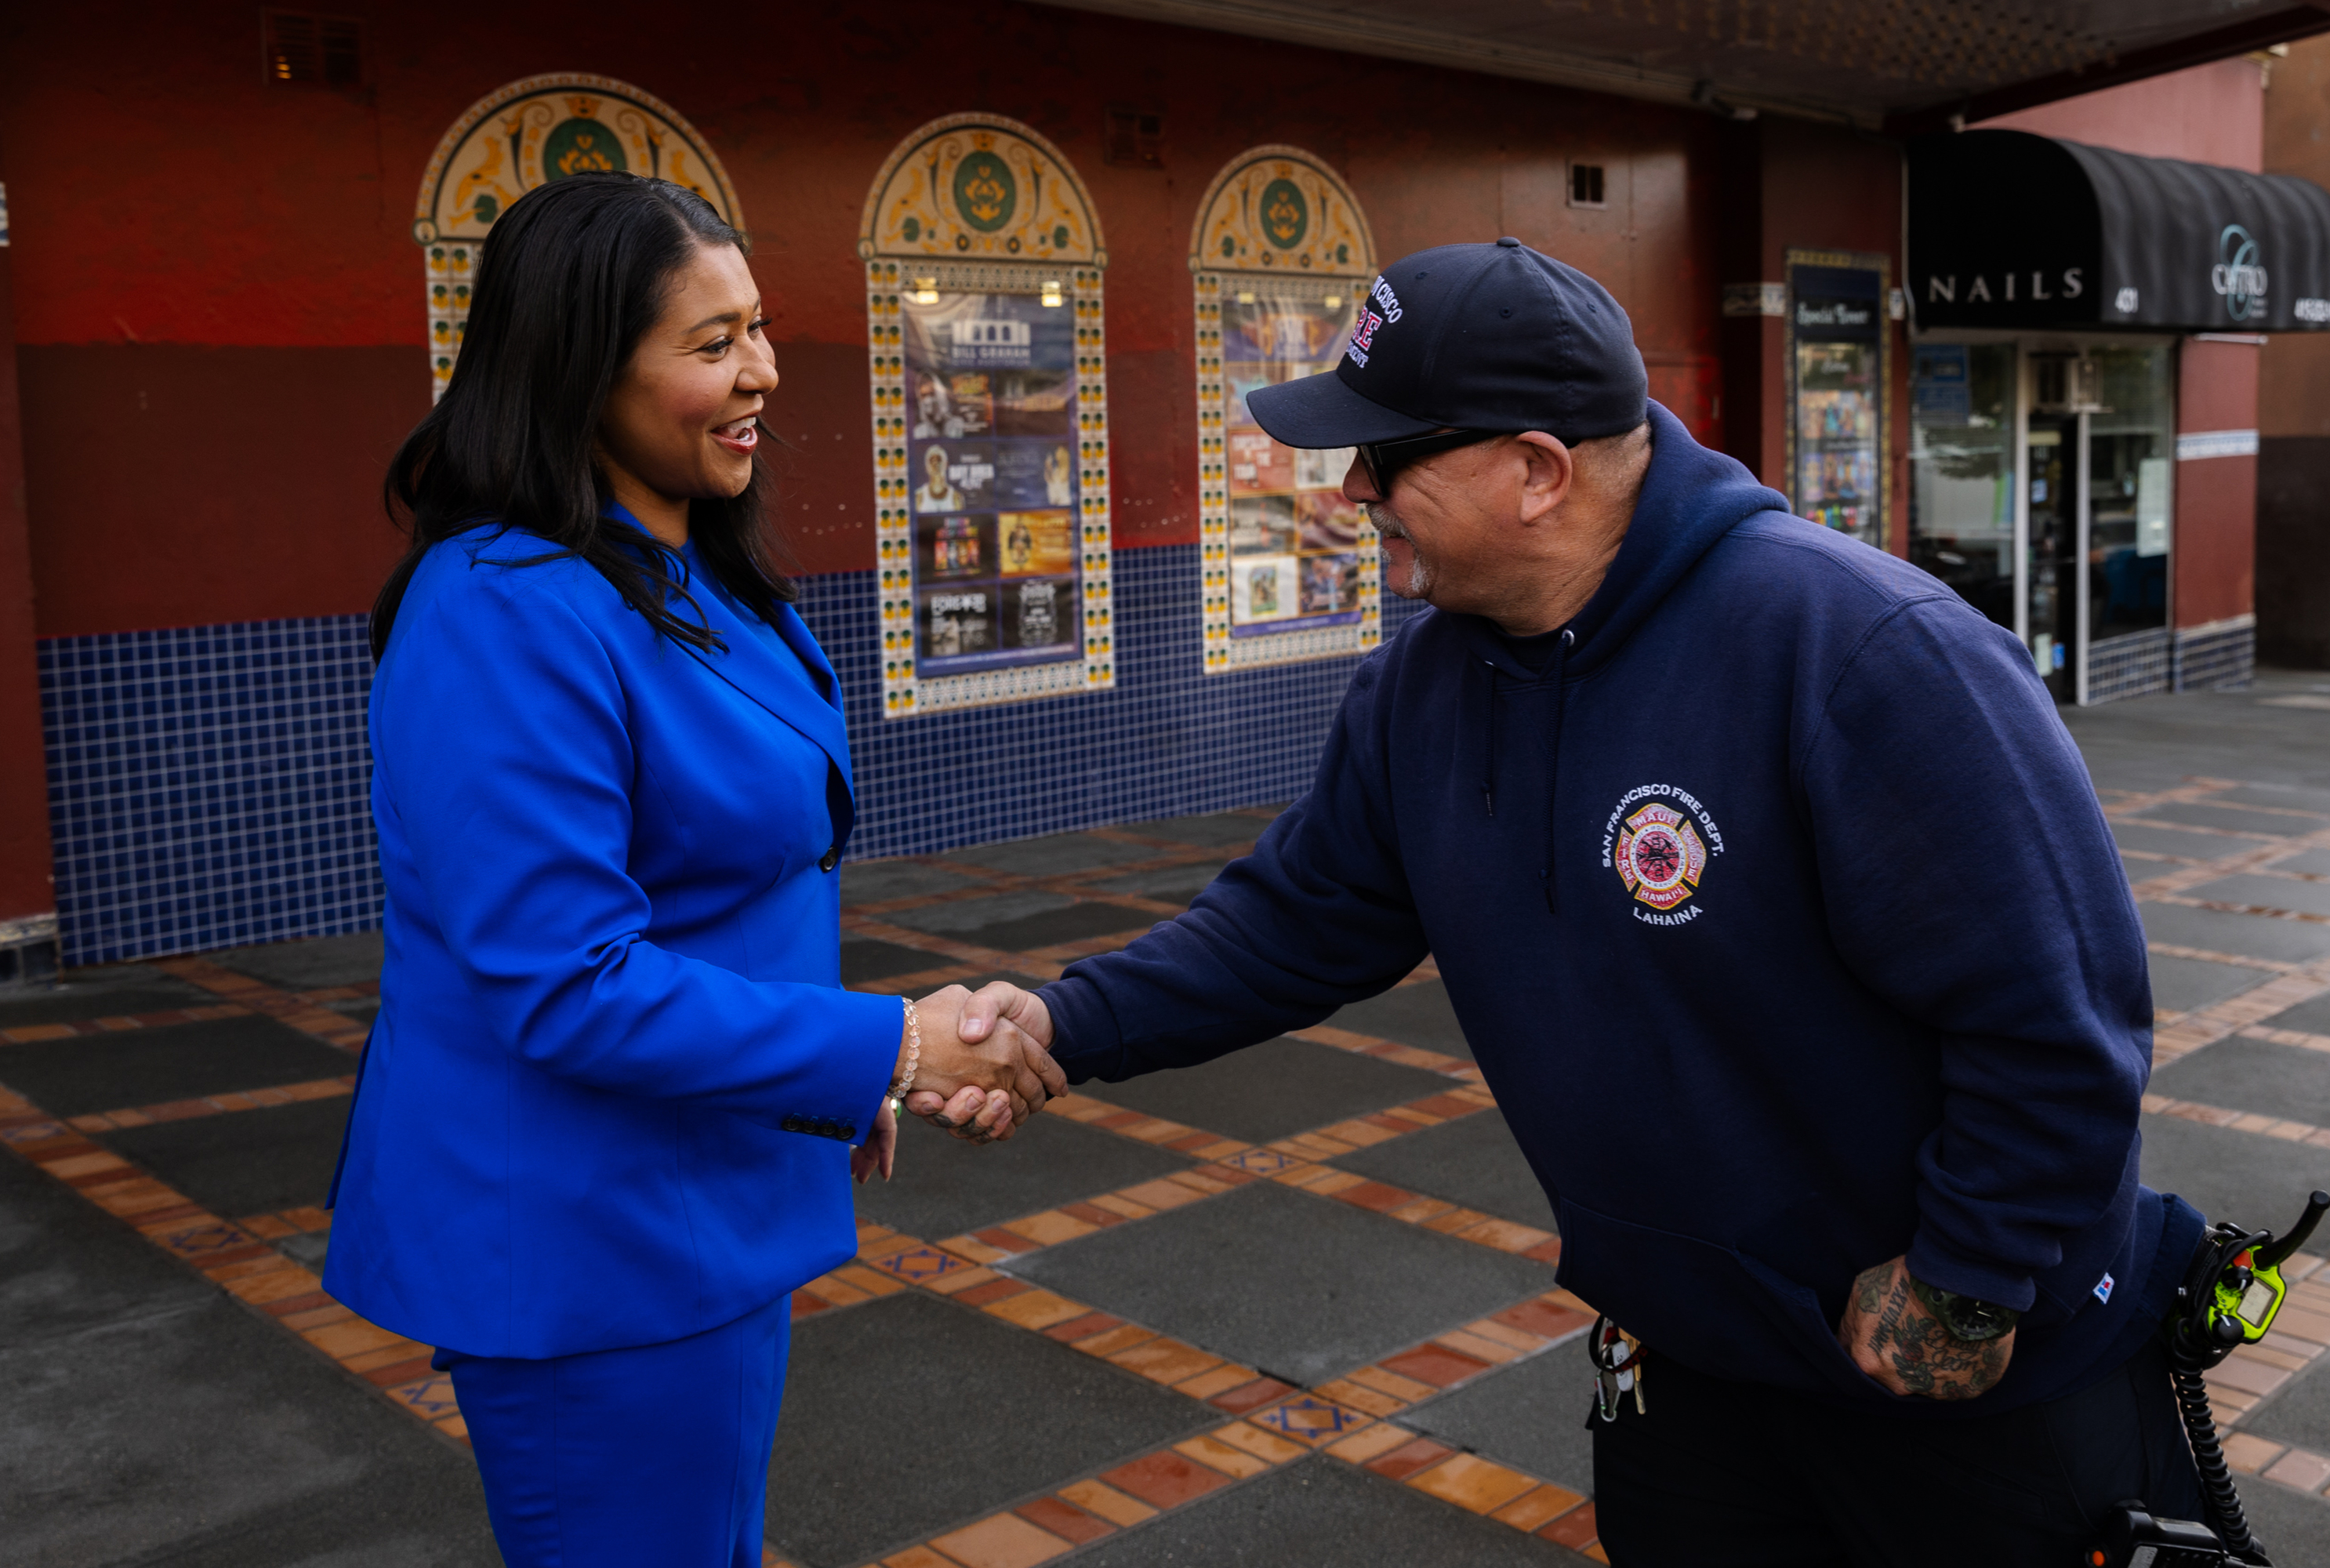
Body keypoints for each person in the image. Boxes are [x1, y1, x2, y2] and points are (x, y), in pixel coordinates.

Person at [945, 239, 2207, 1566]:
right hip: (1693, 1384)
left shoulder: (1861, 650)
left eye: (1388, 454)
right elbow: (1297, 919)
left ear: (1539, 470)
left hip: (1959, 1390)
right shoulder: (1420, 688)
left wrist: (1962, 1285)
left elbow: (2058, 1016)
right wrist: (1055, 1022)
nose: (1353, 487)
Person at [322, 172, 1061, 1568]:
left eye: (759, 330)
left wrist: (830, 1078)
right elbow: (564, 981)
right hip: (589, 1238)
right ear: (581, 368)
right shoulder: (502, 608)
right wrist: (892, 1043)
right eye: (712, 343)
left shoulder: (680, 566)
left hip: (702, 1189)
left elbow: (726, 887)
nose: (763, 372)